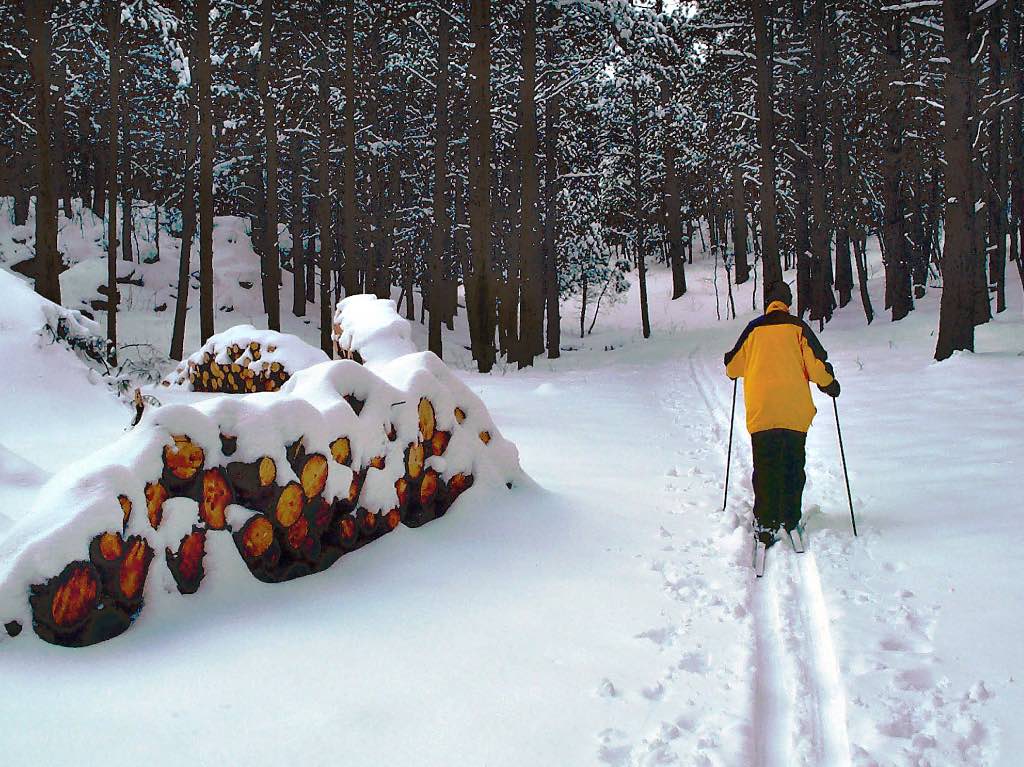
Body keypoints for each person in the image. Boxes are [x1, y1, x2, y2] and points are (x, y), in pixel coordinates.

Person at [723, 281, 840, 548]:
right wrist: (829, 384)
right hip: (793, 414)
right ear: (788, 303)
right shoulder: (798, 329)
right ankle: (789, 517)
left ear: (768, 303)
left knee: (765, 468)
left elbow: (732, 367)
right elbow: (817, 366)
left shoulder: (754, 329)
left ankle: (765, 520)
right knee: (792, 467)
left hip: (763, 413)